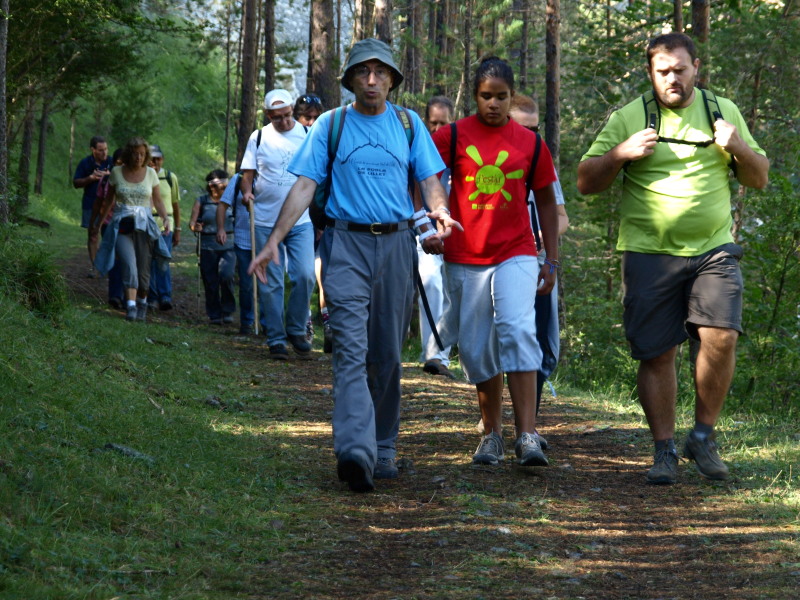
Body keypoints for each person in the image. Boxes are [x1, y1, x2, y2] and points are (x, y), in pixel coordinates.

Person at [249, 38, 459, 492]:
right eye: (362, 72)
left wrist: (439, 213)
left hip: (398, 246)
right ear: (349, 79)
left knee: (385, 351)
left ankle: (384, 443)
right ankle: (355, 450)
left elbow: (429, 179)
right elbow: (305, 187)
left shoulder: (408, 123)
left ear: (391, 79)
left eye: (380, 72)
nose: (371, 80)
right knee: (348, 347)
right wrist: (273, 243)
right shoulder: (331, 125)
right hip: (345, 245)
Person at [577, 32, 769, 484]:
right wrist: (621, 153)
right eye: (662, 72)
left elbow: (759, 178)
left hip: (714, 250)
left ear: (696, 68)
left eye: (680, 70)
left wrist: (737, 145)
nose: (672, 79)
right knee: (658, 353)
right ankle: (664, 450)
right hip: (648, 253)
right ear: (650, 73)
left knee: (721, 336)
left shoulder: (723, 111)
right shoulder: (629, 117)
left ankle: (703, 435)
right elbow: (586, 182)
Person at [431, 57, 560, 469]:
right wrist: (427, 225)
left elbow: (546, 201)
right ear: (474, 97)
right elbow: (424, 180)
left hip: (517, 252)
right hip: (464, 254)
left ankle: (528, 435)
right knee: (476, 345)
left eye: (501, 97)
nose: (493, 104)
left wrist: (551, 261)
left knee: (518, 327)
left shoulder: (530, 143)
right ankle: (492, 434)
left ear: (511, 97)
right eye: (486, 96)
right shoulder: (451, 136)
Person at [240, 89, 316, 360]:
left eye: (287, 116)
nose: (284, 122)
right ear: (268, 115)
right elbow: (247, 174)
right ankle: (276, 339)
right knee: (271, 281)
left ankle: (296, 329)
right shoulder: (258, 137)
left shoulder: (306, 135)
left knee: (306, 274)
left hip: (300, 220)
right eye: (277, 118)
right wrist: (246, 192)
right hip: (264, 221)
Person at [91, 137, 172, 322]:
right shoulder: (117, 172)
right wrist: (98, 224)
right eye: (135, 154)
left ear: (146, 156)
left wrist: (166, 218)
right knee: (128, 265)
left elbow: (158, 200)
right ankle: (131, 306)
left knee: (144, 271)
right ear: (129, 154)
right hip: (122, 225)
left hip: (143, 226)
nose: (138, 157)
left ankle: (142, 303)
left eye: (142, 154)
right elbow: (108, 201)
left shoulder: (151, 173)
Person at [418, 96, 456, 379]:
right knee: (430, 283)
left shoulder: (459, 151)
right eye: (433, 123)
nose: (438, 128)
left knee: (455, 292)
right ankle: (433, 354)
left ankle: (444, 352)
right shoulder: (418, 150)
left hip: (456, 232)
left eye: (444, 123)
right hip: (423, 230)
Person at [294, 92, 329, 349]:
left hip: (322, 218)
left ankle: (328, 322)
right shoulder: (292, 142)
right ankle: (303, 319)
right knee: (303, 273)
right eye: (307, 117)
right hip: (295, 219)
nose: (311, 122)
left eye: (316, 117)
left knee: (323, 272)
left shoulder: (327, 140)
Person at [189, 170, 236, 325]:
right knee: (210, 280)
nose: (219, 189)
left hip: (228, 245)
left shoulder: (232, 201)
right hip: (207, 246)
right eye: (216, 185)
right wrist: (196, 227)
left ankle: (228, 310)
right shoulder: (201, 201)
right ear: (210, 186)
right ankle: (214, 313)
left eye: (223, 186)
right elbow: (192, 223)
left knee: (227, 275)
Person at [216, 172, 257, 335]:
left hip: (268, 240)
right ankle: (247, 322)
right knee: (246, 284)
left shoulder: (274, 175)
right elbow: (222, 205)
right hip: (243, 239)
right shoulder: (239, 179)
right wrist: (221, 229)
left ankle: (268, 323)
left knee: (269, 284)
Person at [88, 148, 125, 309]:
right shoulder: (106, 180)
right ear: (114, 162)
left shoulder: (137, 179)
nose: (122, 165)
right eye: (119, 162)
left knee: (127, 259)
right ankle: (116, 295)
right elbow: (99, 203)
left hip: (128, 223)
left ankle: (129, 294)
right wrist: (94, 224)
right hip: (109, 223)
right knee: (115, 258)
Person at [147, 145, 181, 311]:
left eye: (157, 159)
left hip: (166, 225)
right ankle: (152, 297)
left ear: (162, 159)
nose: (154, 162)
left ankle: (165, 295)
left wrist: (178, 228)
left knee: (163, 261)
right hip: (147, 223)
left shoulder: (169, 177)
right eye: (151, 159)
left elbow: (175, 204)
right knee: (149, 262)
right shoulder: (143, 177)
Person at [74, 136, 113, 277]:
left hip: (111, 207)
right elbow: (76, 182)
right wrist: (90, 178)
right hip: (91, 204)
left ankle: (109, 266)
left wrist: (109, 175)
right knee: (93, 235)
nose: (104, 153)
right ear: (93, 150)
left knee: (110, 236)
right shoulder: (85, 163)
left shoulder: (112, 162)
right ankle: (95, 267)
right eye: (101, 150)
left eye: (106, 149)